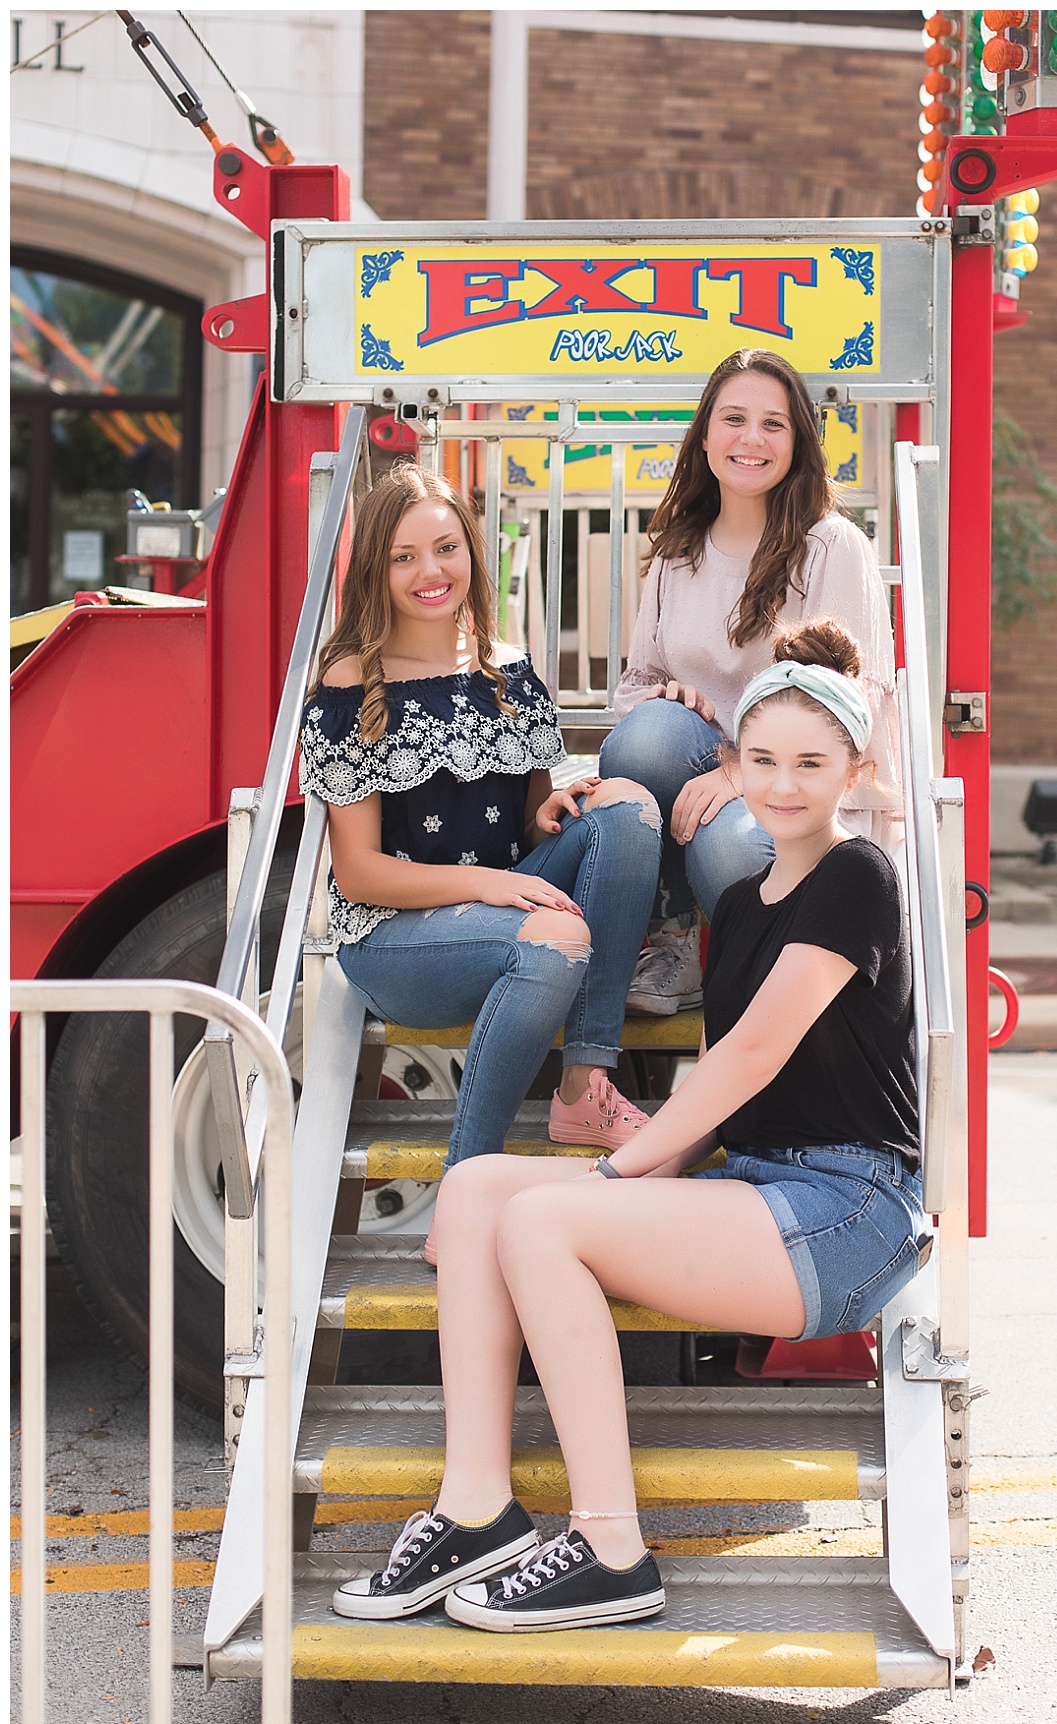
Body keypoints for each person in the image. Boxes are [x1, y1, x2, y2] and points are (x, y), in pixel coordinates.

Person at [333, 618, 925, 1633]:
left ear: (853, 769)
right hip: (760, 1187)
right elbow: (721, 1090)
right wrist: (648, 1157)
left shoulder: (857, 877)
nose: (783, 784)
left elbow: (750, 1057)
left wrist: (612, 1181)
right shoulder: (737, 905)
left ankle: (612, 1544)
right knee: (478, 1188)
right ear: (733, 762)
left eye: (811, 762)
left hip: (849, 1210)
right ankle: (475, 1502)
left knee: (547, 1221)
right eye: (764, 758)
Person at [300, 463, 662, 1165]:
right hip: (397, 940)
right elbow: (359, 874)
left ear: (471, 550)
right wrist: (486, 886)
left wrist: (552, 808)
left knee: (628, 807)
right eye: (404, 557)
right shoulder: (351, 680)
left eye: (446, 548)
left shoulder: (510, 669)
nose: (430, 571)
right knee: (553, 938)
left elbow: (528, 828)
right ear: (376, 569)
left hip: (506, 904)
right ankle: (468, 1179)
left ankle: (585, 1084)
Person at [599, 346, 903, 1017]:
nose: (751, 439)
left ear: (798, 443)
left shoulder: (831, 546)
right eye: (734, 418)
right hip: (702, 761)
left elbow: (848, 705)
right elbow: (634, 688)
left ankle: (772, 1003)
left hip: (799, 786)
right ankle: (674, 944)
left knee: (732, 845)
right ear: (705, 435)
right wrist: (665, 697)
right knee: (644, 740)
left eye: (774, 423)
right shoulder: (678, 554)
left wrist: (743, 770)